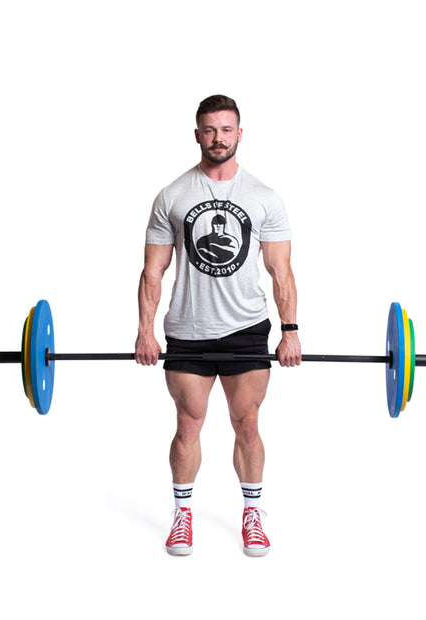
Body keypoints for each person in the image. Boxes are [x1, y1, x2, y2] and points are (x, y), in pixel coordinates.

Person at [135, 95, 301, 557]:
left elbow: (281, 271)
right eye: (209, 130)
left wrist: (289, 330)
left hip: (246, 328)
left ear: (240, 134)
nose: (218, 138)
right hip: (187, 328)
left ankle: (252, 513)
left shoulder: (265, 198)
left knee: (246, 424)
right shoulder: (171, 196)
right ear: (197, 135)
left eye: (226, 130)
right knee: (188, 423)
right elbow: (153, 271)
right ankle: (182, 515)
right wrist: (145, 330)